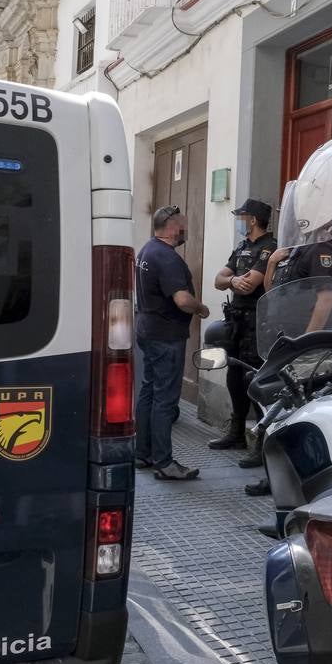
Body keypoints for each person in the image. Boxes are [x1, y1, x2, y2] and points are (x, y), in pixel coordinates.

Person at [243, 238, 332, 499]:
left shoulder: (321, 250)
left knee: (297, 414)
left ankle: (296, 481)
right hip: (283, 344)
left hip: (302, 349)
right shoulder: (293, 251)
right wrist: (273, 262)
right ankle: (277, 477)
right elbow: (271, 293)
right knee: (280, 414)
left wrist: (304, 345)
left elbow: (326, 300)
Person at [135, 205, 210, 481]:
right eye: (183, 227)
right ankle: (164, 462)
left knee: (149, 393)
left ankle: (141, 453)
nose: (184, 231)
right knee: (165, 400)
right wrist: (200, 307)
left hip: (147, 330)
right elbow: (182, 300)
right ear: (171, 227)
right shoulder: (167, 258)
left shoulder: (146, 250)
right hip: (166, 336)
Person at [210, 198, 276, 468]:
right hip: (236, 323)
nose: (238, 220)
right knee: (234, 375)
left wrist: (235, 281)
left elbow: (251, 284)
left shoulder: (269, 247)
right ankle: (236, 432)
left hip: (257, 324)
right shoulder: (242, 247)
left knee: (257, 380)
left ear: (252, 220)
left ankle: (261, 441)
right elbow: (218, 280)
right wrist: (233, 280)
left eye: (242, 216)